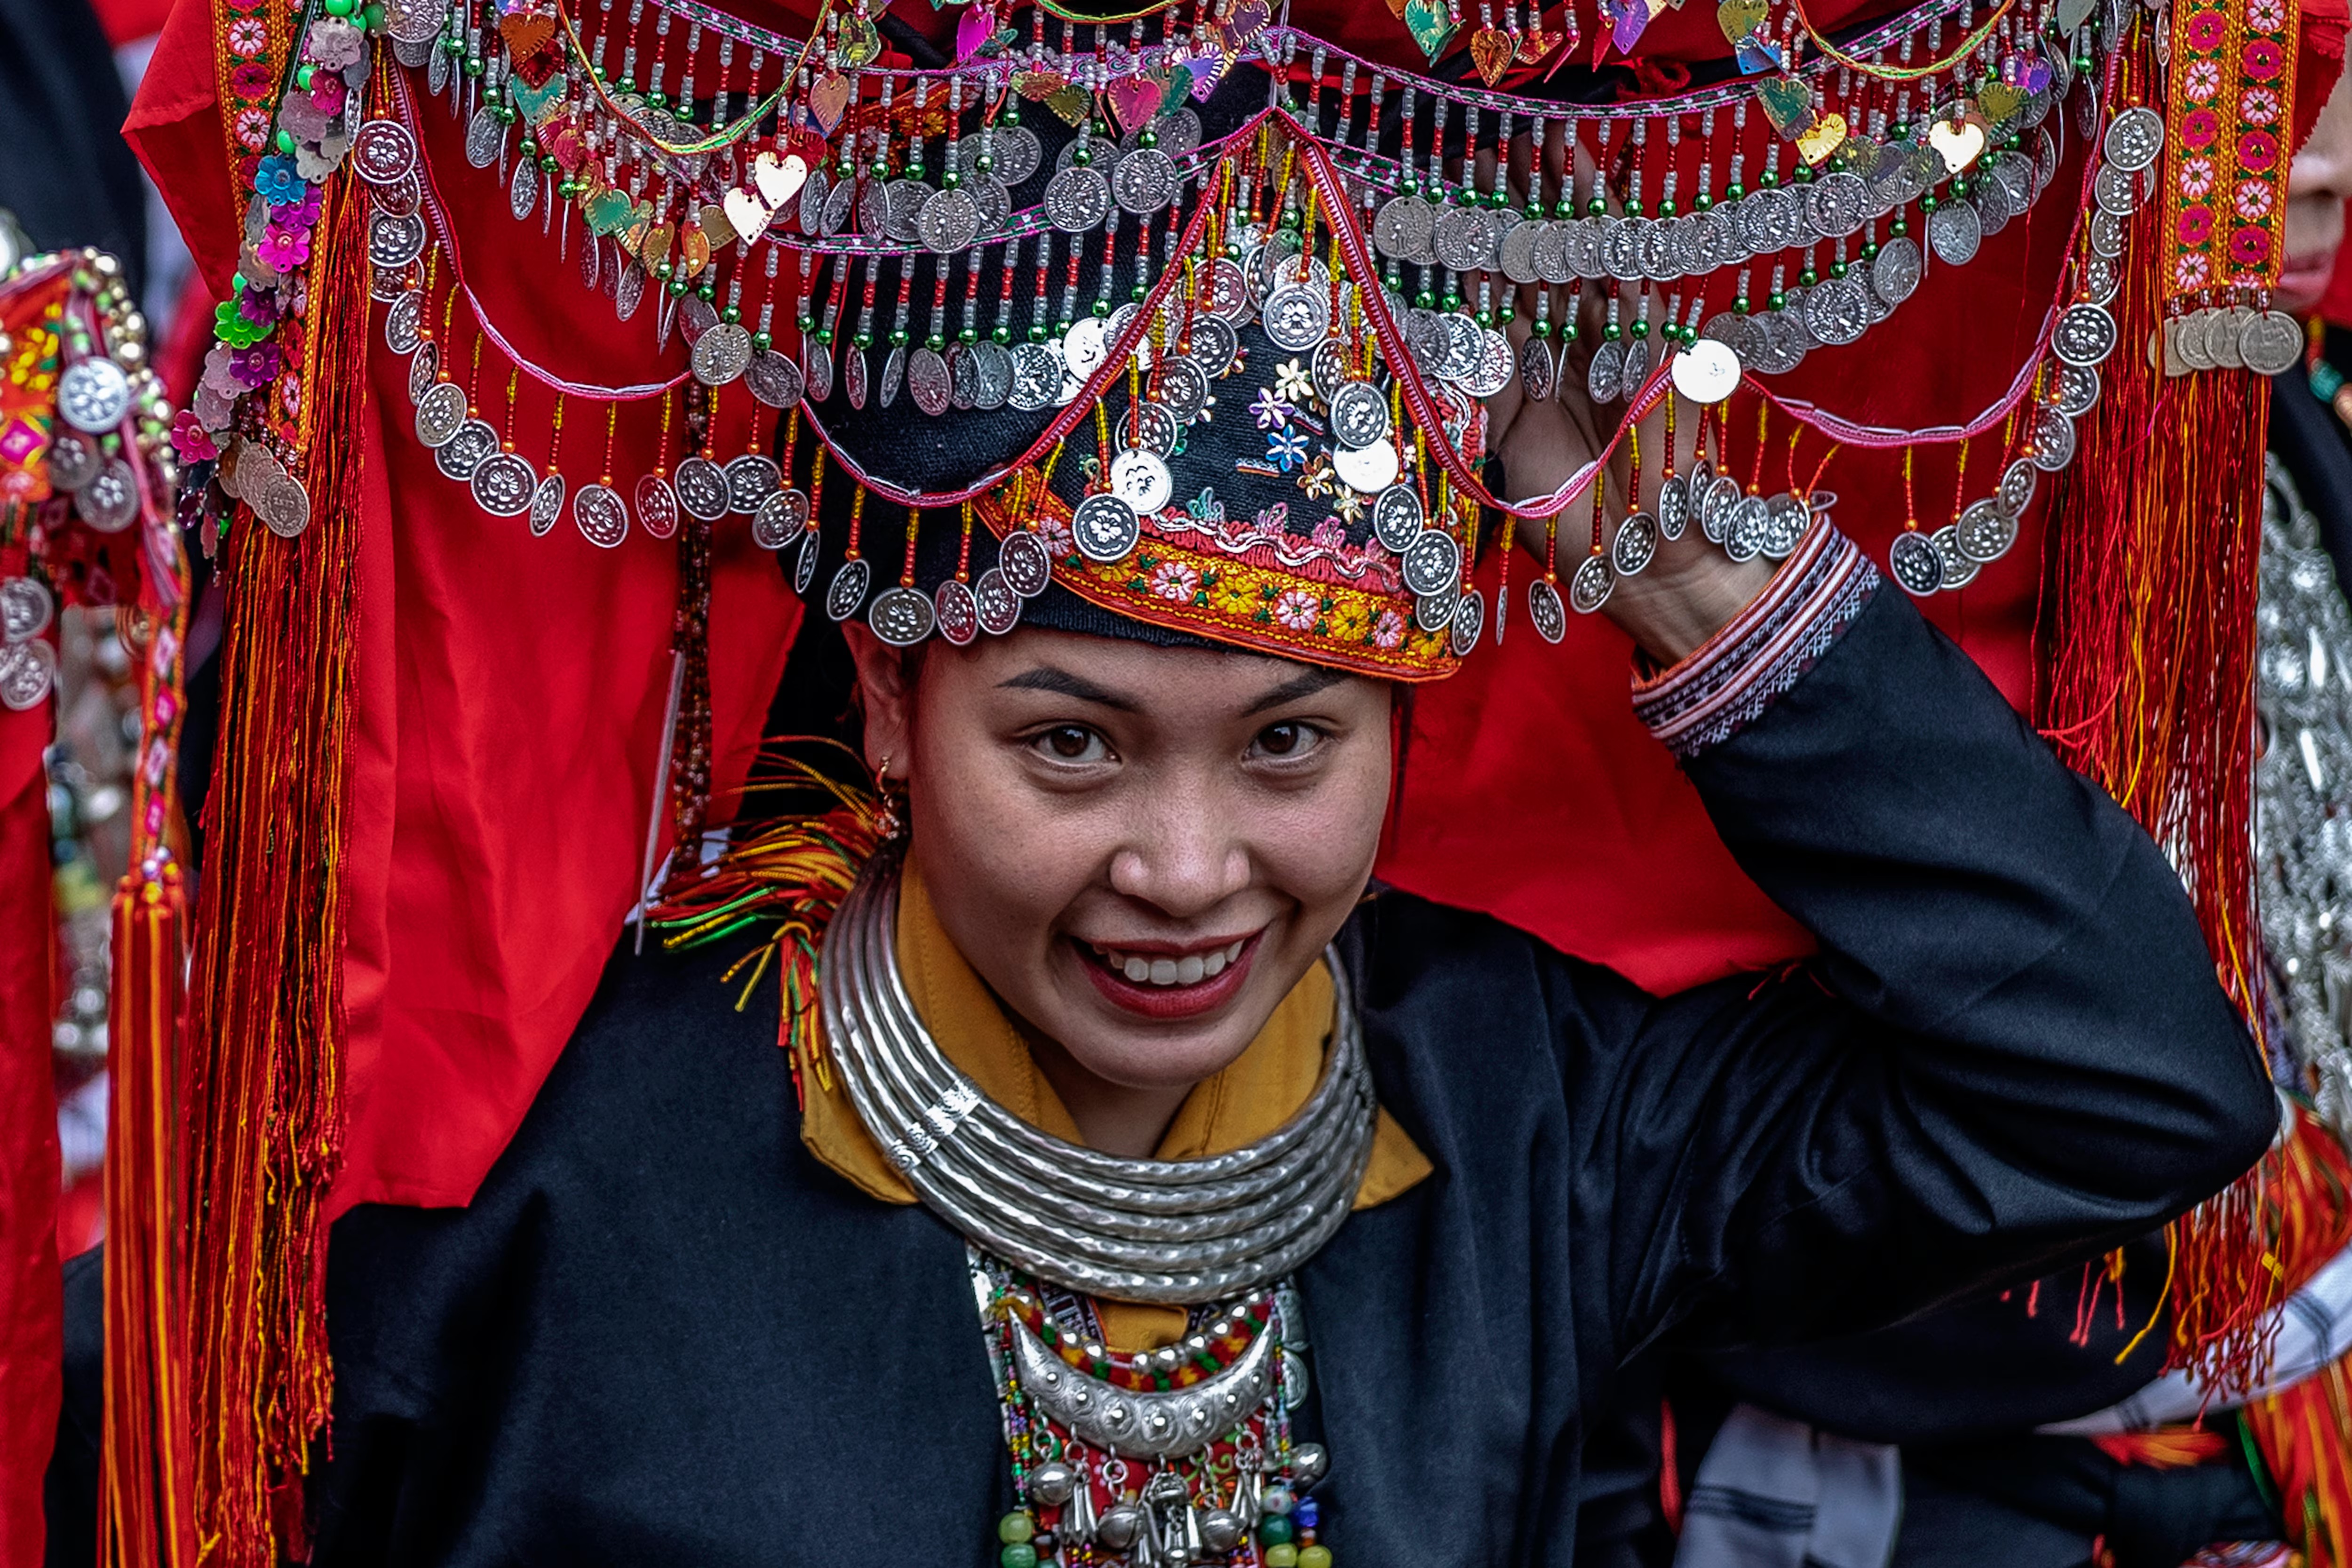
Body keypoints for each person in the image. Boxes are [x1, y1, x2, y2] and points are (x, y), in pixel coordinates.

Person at [56, 0, 2293, 1563]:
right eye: (1068, 743)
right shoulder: (555, 1197)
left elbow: (2118, 1089)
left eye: (1293, 742)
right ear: (886, 683)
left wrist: (1657, 545)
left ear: (1406, 733)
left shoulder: (1516, 1113)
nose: (1189, 871)